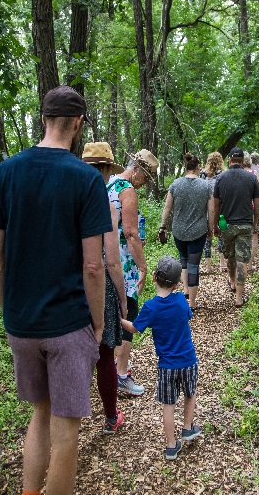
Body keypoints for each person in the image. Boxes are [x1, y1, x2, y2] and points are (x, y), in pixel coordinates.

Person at [0, 85, 110, 495]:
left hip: (22, 324)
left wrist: (10, 312)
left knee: (40, 413)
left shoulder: (6, 172)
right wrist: (97, 322)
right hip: (68, 322)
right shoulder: (87, 179)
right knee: (67, 428)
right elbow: (94, 265)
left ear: (43, 119)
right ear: (77, 123)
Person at [120, 256, 201, 461]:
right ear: (176, 284)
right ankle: (187, 428)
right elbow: (186, 317)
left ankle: (171, 446)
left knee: (168, 404)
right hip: (188, 360)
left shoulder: (150, 307)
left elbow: (134, 328)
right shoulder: (182, 301)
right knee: (190, 394)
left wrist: (118, 319)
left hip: (167, 365)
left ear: (154, 277)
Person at [82, 142, 128, 434]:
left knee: (72, 353)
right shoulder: (106, 206)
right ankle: (110, 417)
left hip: (68, 284)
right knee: (104, 354)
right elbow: (111, 261)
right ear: (108, 170)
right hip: (99, 288)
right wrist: (123, 298)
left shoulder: (66, 200)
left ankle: (65, 419)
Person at [107, 149, 160, 396]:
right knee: (129, 314)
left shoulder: (108, 182)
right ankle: (121, 375)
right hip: (124, 266)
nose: (145, 183)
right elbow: (130, 232)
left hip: (104, 258)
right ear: (136, 170)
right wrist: (143, 265)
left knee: (107, 315)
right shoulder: (127, 190)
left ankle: (108, 373)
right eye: (146, 177)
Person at [158, 153, 213, 311]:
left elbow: (167, 207)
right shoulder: (205, 185)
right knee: (193, 265)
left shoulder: (175, 184)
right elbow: (211, 209)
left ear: (185, 167)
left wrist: (163, 226)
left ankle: (186, 290)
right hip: (198, 230)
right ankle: (192, 303)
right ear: (197, 168)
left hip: (179, 231)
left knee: (183, 260)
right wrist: (210, 227)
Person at [213, 147, 259, 307]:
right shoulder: (252, 178)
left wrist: (215, 226)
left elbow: (216, 205)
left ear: (229, 161)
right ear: (242, 161)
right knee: (242, 260)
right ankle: (239, 298)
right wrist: (255, 223)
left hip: (226, 225)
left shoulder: (220, 178)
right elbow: (257, 205)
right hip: (245, 224)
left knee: (231, 256)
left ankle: (232, 282)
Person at [199, 152, 225, 274]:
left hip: (206, 209)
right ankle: (222, 264)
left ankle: (208, 266)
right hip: (220, 209)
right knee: (221, 236)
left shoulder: (203, 175)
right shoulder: (223, 175)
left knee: (207, 237)